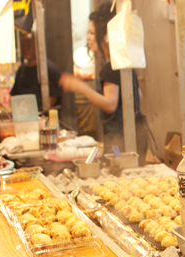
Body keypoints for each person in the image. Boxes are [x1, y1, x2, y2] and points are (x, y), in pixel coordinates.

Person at [59, 2, 148, 166]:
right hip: (136, 137)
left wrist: (79, 86)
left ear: (106, 35)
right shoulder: (124, 64)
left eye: (92, 32)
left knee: (121, 179)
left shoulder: (110, 67)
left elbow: (110, 104)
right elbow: (139, 98)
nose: (88, 38)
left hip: (119, 142)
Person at [11, 33, 62, 108]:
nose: (25, 49)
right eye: (23, 45)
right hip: (22, 116)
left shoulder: (49, 69)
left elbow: (52, 99)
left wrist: (37, 115)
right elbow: (15, 96)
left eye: (28, 45)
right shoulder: (21, 69)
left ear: (37, 45)